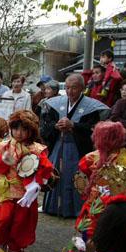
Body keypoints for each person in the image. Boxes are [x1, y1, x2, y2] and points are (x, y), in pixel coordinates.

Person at [0, 110, 54, 252]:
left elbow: (45, 168)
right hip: (6, 190)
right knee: (2, 218)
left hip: (26, 193)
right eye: (16, 128)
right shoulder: (3, 146)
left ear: (31, 131)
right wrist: (4, 161)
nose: (19, 133)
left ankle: (16, 247)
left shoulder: (37, 149)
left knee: (21, 222)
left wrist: (36, 183)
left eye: (24, 129)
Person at [40, 74, 109, 218]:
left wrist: (74, 125)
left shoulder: (91, 107)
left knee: (76, 175)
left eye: (74, 88)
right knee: (55, 174)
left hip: (77, 149)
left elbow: (93, 128)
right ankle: (52, 207)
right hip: (58, 146)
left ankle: (75, 209)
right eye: (67, 88)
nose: (70, 91)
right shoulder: (55, 103)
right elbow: (46, 126)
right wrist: (56, 126)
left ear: (83, 89)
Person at [74, 121, 126, 246]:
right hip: (119, 207)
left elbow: (81, 183)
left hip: (96, 204)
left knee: (94, 227)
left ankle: (92, 243)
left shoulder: (89, 158)